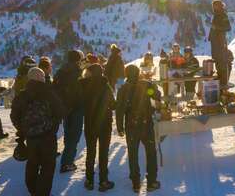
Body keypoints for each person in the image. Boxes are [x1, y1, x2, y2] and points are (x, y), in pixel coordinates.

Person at [11, 67, 65, 196]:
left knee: (32, 163)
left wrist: (23, 129)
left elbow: (14, 116)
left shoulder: (22, 95)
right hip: (48, 136)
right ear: (42, 78)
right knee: (48, 165)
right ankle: (43, 192)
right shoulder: (49, 93)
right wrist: (53, 126)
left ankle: (33, 190)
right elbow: (60, 111)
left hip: (30, 137)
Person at [116, 65, 161, 192]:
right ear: (138, 73)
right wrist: (152, 89)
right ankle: (151, 181)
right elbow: (157, 96)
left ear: (126, 74)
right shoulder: (146, 85)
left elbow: (119, 110)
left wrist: (120, 127)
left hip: (131, 125)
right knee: (151, 152)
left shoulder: (123, 89)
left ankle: (136, 183)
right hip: (146, 123)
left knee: (133, 153)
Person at [81, 64, 116, 192]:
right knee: (103, 153)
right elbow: (113, 105)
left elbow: (78, 104)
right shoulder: (105, 86)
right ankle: (103, 181)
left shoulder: (82, 85)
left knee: (90, 152)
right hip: (104, 124)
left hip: (90, 124)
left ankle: (89, 181)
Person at [54, 50, 85, 173]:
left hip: (64, 108)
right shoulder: (77, 72)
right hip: (76, 108)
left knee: (68, 134)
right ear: (78, 60)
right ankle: (67, 163)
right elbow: (79, 91)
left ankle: (67, 159)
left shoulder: (60, 71)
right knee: (74, 136)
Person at [208, 0, 231, 89]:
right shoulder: (216, 15)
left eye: (215, 5)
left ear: (219, 5)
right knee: (216, 59)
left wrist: (215, 27)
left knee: (221, 60)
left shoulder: (223, 15)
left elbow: (228, 27)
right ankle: (219, 77)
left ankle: (223, 80)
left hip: (220, 41)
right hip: (215, 41)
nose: (214, 7)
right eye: (213, 5)